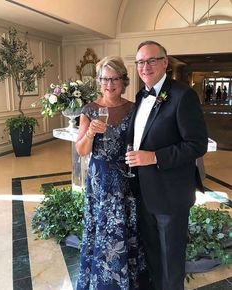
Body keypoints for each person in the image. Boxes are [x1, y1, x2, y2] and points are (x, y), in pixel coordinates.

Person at [125, 40, 208, 290]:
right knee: (152, 254)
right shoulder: (140, 96)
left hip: (171, 195)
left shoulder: (183, 95)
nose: (145, 66)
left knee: (171, 261)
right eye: (140, 61)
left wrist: (154, 157)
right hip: (144, 191)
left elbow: (196, 145)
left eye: (151, 60)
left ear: (164, 62)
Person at [75, 56, 149, 290]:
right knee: (101, 229)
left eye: (115, 78)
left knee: (125, 228)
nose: (110, 84)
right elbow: (81, 150)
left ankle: (127, 280)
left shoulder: (134, 108)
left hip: (126, 179)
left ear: (124, 81)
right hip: (100, 182)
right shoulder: (90, 109)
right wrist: (90, 134)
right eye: (105, 79)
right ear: (99, 81)